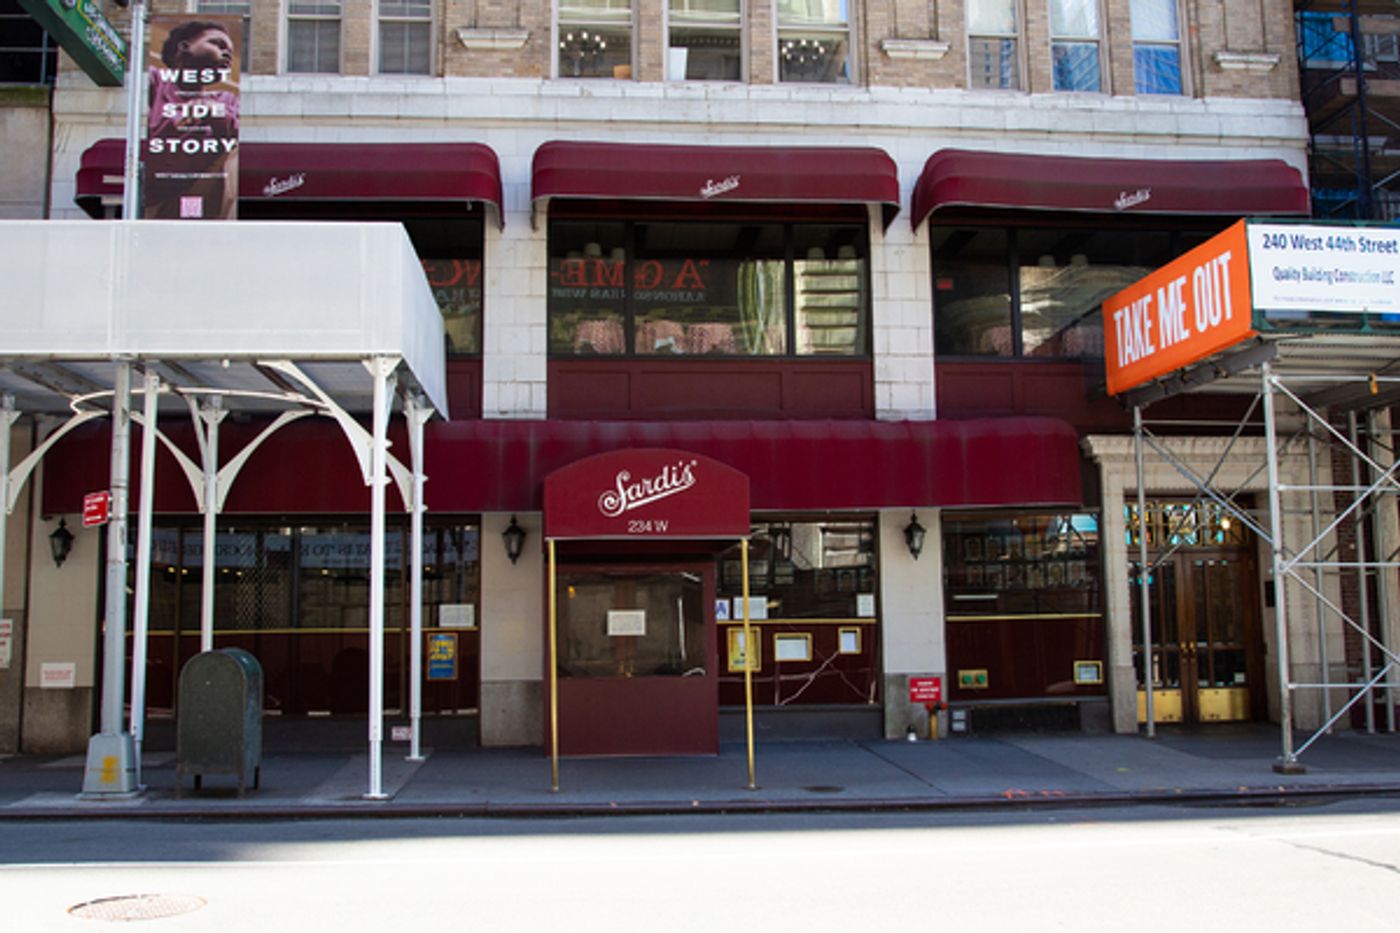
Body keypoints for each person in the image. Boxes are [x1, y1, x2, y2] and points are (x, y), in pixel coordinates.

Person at [145, 20, 239, 219]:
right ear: (184, 47)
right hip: (154, 196)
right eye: (218, 44)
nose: (228, 54)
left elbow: (235, 131)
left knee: (236, 154)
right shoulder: (156, 81)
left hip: (201, 191)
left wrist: (213, 111)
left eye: (229, 49)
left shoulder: (226, 100)